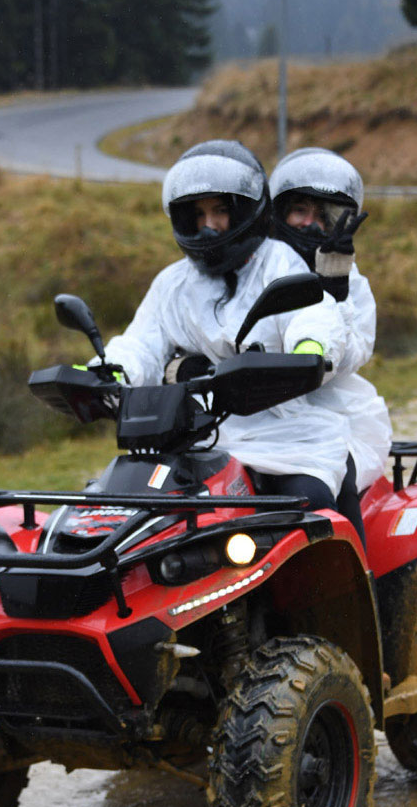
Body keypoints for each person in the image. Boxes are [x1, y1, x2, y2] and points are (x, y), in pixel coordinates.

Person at [98, 139, 357, 517]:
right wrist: (109, 370)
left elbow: (312, 314)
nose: (210, 225)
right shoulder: (173, 283)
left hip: (283, 435)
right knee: (138, 513)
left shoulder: (278, 262)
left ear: (244, 211)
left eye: (220, 210)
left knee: (309, 502)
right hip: (197, 436)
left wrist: (309, 349)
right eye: (199, 214)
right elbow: (141, 343)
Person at [269, 148, 392, 523]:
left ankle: (352, 558)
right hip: (250, 411)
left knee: (335, 472)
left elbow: (355, 353)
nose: (310, 224)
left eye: (323, 216)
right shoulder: (255, 268)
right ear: (280, 212)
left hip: (328, 408)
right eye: (300, 211)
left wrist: (334, 291)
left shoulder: (352, 280)